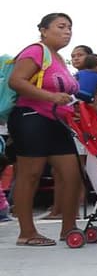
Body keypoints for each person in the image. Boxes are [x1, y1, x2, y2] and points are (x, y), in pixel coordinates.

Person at [6, 13, 84, 246]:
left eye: (70, 27)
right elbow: (16, 81)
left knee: (72, 175)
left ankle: (69, 228)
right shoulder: (36, 51)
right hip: (31, 118)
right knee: (30, 175)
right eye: (61, 26)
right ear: (43, 30)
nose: (67, 31)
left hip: (56, 122)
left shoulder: (58, 58)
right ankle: (26, 233)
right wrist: (51, 96)